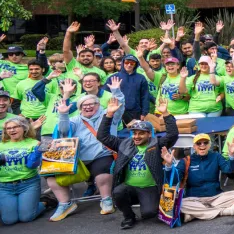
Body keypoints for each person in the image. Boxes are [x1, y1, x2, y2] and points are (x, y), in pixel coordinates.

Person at [48, 77, 127, 221]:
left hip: (101, 155)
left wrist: (116, 91)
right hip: (76, 158)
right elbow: (63, 131)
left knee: (103, 170)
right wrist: (63, 114)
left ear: (98, 105)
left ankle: (106, 199)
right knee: (52, 176)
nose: (88, 107)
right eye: (84, 105)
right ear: (79, 108)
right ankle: (65, 204)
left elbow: (119, 106)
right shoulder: (75, 119)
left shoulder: (108, 115)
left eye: (91, 104)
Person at [94, 98, 178, 229]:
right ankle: (129, 216)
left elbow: (173, 135)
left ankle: (147, 204)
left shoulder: (156, 144)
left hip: (150, 187)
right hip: (129, 187)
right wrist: (109, 115)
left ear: (149, 134)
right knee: (118, 191)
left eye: (141, 133)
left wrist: (166, 114)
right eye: (134, 133)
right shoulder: (123, 144)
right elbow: (102, 136)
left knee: (149, 213)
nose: (136, 136)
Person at [165, 133, 234, 223]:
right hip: (194, 199)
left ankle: (194, 214)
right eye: (199, 143)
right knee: (179, 204)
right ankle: (222, 211)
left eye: (205, 143)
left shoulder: (216, 156)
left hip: (215, 197)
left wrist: (232, 156)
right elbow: (174, 180)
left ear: (209, 145)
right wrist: (169, 166)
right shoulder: (186, 161)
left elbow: (229, 170)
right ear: (194, 146)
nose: (202, 145)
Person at [0, 116, 46, 225]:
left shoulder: (34, 143)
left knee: (26, 217)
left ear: (24, 128)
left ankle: (45, 203)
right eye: (9, 128)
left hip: (28, 184)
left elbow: (32, 165)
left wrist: (37, 152)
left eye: (15, 127)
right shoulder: (1, 145)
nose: (12, 130)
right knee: (9, 220)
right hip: (4, 186)